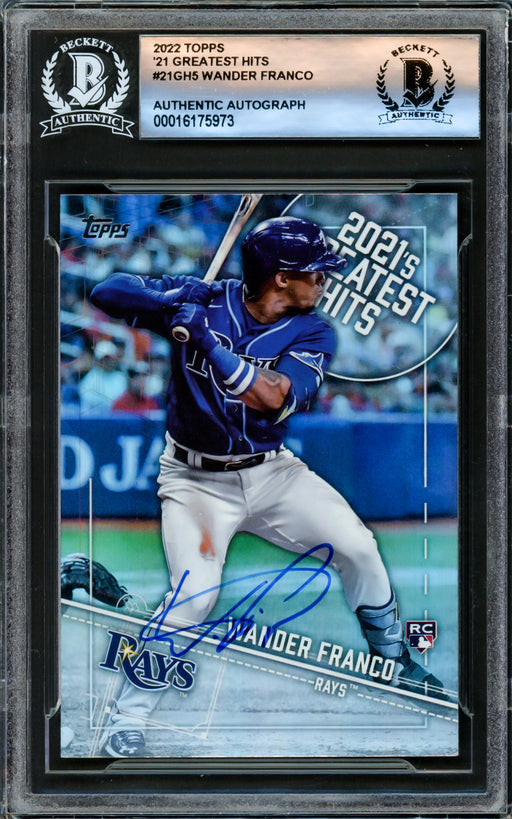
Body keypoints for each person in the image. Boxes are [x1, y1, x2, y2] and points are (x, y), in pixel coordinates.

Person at [90, 216, 444, 757]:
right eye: (315, 272)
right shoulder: (207, 298)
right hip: (195, 483)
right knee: (193, 598)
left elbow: (275, 395)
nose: (323, 280)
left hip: (273, 473)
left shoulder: (313, 330)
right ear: (281, 277)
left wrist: (207, 342)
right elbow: (106, 293)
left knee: (358, 547)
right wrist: (172, 299)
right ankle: (125, 719)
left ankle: (394, 660)